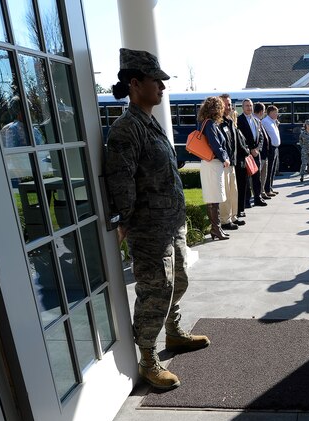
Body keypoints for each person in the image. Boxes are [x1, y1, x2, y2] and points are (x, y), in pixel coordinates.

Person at [104, 48, 209, 391]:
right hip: (149, 229)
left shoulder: (148, 122)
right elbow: (121, 180)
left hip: (171, 223)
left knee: (179, 282)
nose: (162, 87)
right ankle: (147, 358)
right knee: (156, 290)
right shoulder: (126, 129)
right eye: (156, 81)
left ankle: (174, 333)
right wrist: (123, 222)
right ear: (135, 84)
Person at [197, 96, 230, 241]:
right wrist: (225, 158)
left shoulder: (206, 122)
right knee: (214, 198)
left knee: (214, 197)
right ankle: (216, 229)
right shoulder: (210, 124)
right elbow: (215, 144)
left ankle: (216, 228)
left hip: (211, 164)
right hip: (212, 164)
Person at [237, 99, 268, 207]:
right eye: (247, 106)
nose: (249, 108)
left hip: (256, 153)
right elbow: (240, 138)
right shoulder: (239, 120)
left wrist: (258, 149)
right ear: (242, 107)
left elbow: (261, 137)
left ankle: (257, 198)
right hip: (246, 154)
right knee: (245, 179)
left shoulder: (256, 120)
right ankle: (246, 201)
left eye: (250, 105)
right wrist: (250, 150)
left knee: (257, 177)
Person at [218, 94, 242, 231]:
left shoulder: (230, 120)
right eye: (226, 104)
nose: (229, 107)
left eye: (230, 104)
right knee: (226, 192)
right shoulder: (218, 122)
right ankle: (225, 220)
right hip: (224, 163)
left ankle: (233, 216)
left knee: (234, 191)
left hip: (232, 162)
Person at [261, 105, 281, 197]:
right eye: (275, 112)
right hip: (270, 148)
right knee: (269, 170)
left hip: (275, 148)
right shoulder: (265, 121)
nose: (277, 114)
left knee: (273, 170)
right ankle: (267, 189)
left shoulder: (273, 121)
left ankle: (270, 187)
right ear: (270, 113)